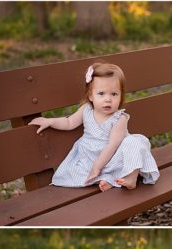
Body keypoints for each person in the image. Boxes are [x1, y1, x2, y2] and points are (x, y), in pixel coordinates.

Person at [29, 61, 160, 192]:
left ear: (121, 96)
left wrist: (97, 167)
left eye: (114, 94)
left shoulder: (120, 118)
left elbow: (113, 146)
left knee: (136, 141)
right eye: (101, 94)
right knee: (80, 172)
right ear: (91, 95)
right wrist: (50, 121)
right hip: (89, 158)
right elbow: (69, 123)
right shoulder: (86, 109)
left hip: (113, 158)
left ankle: (130, 178)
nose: (108, 99)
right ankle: (110, 180)